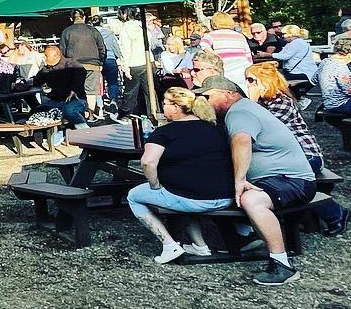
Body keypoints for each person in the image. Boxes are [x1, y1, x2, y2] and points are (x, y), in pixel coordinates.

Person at [199, 75, 316, 286]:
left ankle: (282, 264)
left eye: (208, 97)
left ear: (229, 94)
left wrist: (240, 180)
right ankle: (244, 236)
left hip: (291, 179)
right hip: (278, 177)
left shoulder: (239, 113)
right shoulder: (242, 109)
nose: (204, 102)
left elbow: (241, 142)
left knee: (251, 200)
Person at [124, 88, 229, 263]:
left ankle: (169, 245)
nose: (162, 108)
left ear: (176, 107)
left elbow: (147, 162)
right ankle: (200, 246)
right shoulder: (214, 128)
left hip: (190, 197)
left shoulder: (165, 132)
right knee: (181, 193)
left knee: (134, 196)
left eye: (165, 104)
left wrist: (155, 185)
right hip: (225, 195)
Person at [245, 62, 325, 175]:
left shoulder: (281, 102)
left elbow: (261, 130)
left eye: (251, 80)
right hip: (286, 154)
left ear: (265, 81)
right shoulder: (264, 101)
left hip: (306, 155)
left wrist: (252, 100)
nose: (247, 84)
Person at [59, 10, 106, 114]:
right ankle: (91, 115)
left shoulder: (67, 31)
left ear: (71, 19)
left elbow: (61, 51)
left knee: (76, 90)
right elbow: (102, 48)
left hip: (74, 66)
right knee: (91, 92)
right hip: (93, 65)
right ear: (84, 17)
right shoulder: (93, 31)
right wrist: (100, 62)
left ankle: (80, 114)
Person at [31, 44, 88, 127]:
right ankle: (45, 136)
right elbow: (36, 82)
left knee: (69, 111)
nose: (45, 58)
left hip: (76, 99)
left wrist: (73, 89)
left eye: (47, 56)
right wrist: (43, 70)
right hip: (56, 100)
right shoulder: (47, 68)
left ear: (56, 55)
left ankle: (85, 131)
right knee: (37, 111)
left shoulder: (70, 63)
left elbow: (82, 72)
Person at [201, 11, 253, 90]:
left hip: (226, 69)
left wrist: (215, 56)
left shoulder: (211, 35)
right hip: (243, 69)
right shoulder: (240, 36)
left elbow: (204, 45)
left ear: (214, 23)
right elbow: (248, 55)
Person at [96, 14, 124, 108]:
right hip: (110, 58)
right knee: (112, 81)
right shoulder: (109, 33)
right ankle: (113, 100)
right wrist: (119, 56)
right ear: (102, 22)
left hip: (97, 60)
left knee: (99, 82)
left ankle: (100, 101)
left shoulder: (91, 33)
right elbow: (115, 46)